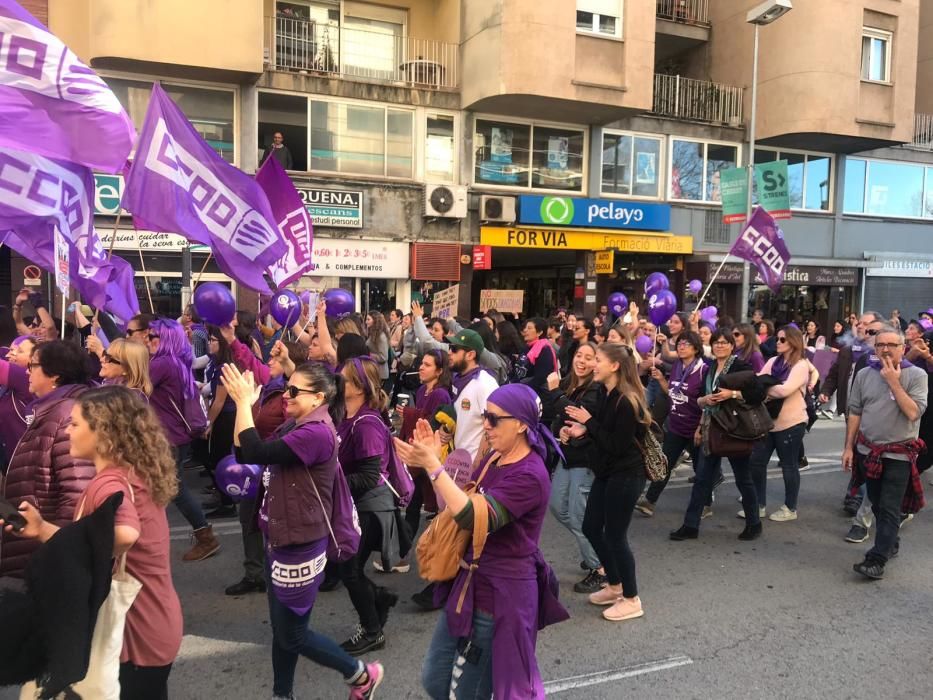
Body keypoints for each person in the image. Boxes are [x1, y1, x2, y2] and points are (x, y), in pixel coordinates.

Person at [2, 385, 184, 699]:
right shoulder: (134, 472)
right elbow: (96, 542)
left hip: (134, 635)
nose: (68, 431)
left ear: (103, 432)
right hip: (155, 623)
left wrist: (47, 532)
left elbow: (125, 533)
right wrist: (43, 528)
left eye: (75, 424)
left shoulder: (108, 482)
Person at [221, 362, 385, 699]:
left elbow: (255, 450)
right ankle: (282, 694)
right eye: (285, 388)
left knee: (293, 634)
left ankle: (360, 675)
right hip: (278, 537)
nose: (286, 396)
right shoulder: (298, 423)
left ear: (319, 397)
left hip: (299, 543)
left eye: (294, 391)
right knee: (283, 630)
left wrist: (241, 404)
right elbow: (243, 451)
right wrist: (247, 406)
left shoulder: (317, 432)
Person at [397, 384, 568, 700]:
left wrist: (434, 468)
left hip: (501, 597)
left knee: (468, 694)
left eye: (493, 418)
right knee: (435, 679)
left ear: (520, 424)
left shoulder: (530, 475)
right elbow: (454, 508)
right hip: (470, 584)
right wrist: (435, 461)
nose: (485, 424)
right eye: (483, 416)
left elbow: (475, 518)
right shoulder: (494, 458)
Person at [565, 343, 648, 622]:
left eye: (598, 360)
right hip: (607, 471)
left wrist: (589, 422)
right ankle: (614, 585)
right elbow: (600, 431)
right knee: (590, 526)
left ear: (614, 366)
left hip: (626, 474)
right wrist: (580, 429)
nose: (592, 364)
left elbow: (615, 444)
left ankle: (632, 598)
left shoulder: (628, 401)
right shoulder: (604, 392)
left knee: (615, 536)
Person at [0, 341, 97, 578]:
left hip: (49, 550)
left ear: (54, 374)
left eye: (32, 365)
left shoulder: (67, 414)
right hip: (37, 540)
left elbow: (76, 492)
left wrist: (58, 545)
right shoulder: (53, 410)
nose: (26, 371)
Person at [843, 326, 927, 579]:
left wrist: (893, 381)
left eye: (892, 345)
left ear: (903, 348)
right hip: (868, 450)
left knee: (890, 507)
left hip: (899, 454)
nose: (886, 349)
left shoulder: (917, 375)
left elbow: (913, 412)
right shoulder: (865, 374)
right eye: (880, 345)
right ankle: (891, 543)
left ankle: (877, 559)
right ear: (874, 348)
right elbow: (855, 411)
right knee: (877, 504)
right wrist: (848, 447)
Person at [337, 357, 403, 655]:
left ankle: (373, 631)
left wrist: (328, 485)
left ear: (360, 387)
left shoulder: (367, 424)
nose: (339, 382)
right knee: (346, 568)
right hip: (359, 504)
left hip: (371, 506)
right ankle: (378, 599)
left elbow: (368, 476)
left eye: (345, 379)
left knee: (349, 570)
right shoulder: (347, 415)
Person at [670, 330, 763, 541]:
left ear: (732, 346)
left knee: (743, 479)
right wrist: (700, 425)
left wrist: (732, 394)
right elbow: (702, 399)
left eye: (724, 342)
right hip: (712, 428)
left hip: (735, 429)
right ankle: (690, 526)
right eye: (716, 343)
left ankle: (754, 523)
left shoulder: (741, 366)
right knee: (702, 478)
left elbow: (758, 394)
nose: (720, 346)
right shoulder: (710, 367)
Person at [147, 318, 220, 561]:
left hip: (169, 436)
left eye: (152, 337)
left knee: (172, 488)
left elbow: (135, 388)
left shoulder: (162, 363)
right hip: (176, 435)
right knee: (165, 488)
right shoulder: (177, 361)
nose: (148, 341)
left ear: (166, 339)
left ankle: (205, 536)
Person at [545, 341, 604, 593]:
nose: (582, 361)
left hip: (586, 461)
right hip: (566, 457)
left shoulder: (596, 389)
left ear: (597, 363)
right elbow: (559, 419)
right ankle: (596, 547)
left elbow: (574, 413)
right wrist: (563, 431)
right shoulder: (570, 382)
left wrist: (555, 392)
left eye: (589, 357)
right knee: (558, 507)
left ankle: (600, 567)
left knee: (580, 517)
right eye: (579, 355)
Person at [388, 349, 453, 574]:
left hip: (433, 457)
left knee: (438, 510)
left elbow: (431, 423)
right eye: (422, 364)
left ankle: (437, 561)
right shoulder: (422, 389)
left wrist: (408, 413)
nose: (421, 368)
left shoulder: (441, 394)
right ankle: (403, 557)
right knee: (413, 505)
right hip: (419, 455)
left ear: (440, 370)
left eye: (427, 364)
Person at [636, 331, 711, 517]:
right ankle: (650, 501)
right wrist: (661, 379)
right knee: (665, 464)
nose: (681, 346)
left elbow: (707, 402)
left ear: (696, 348)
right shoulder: (677, 365)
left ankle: (706, 504)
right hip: (676, 426)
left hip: (695, 428)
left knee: (701, 469)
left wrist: (701, 428)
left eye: (686, 343)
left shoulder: (704, 370)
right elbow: (672, 391)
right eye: (679, 344)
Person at [749, 325, 810, 522]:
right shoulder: (773, 361)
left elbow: (786, 390)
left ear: (793, 342)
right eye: (778, 339)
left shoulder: (800, 365)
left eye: (783, 340)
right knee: (757, 462)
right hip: (769, 422)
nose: (778, 342)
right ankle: (758, 505)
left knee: (789, 466)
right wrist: (767, 386)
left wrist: (766, 388)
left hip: (791, 423)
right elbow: (757, 382)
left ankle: (790, 508)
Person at [0, 335, 34, 472]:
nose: (10, 354)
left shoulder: (25, 377)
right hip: (11, 459)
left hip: (26, 463)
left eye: (19, 351)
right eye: (11, 350)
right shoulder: (9, 386)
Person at [516, 317, 558, 393]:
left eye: (529, 328)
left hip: (532, 393)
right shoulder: (527, 347)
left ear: (539, 332)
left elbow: (540, 379)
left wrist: (518, 388)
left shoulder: (545, 350)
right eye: (525, 328)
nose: (525, 330)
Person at [364, 311, 392, 392]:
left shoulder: (381, 336)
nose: (366, 322)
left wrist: (369, 354)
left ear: (375, 320)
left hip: (380, 373)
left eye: (368, 319)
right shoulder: (373, 333)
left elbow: (384, 357)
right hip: (375, 371)